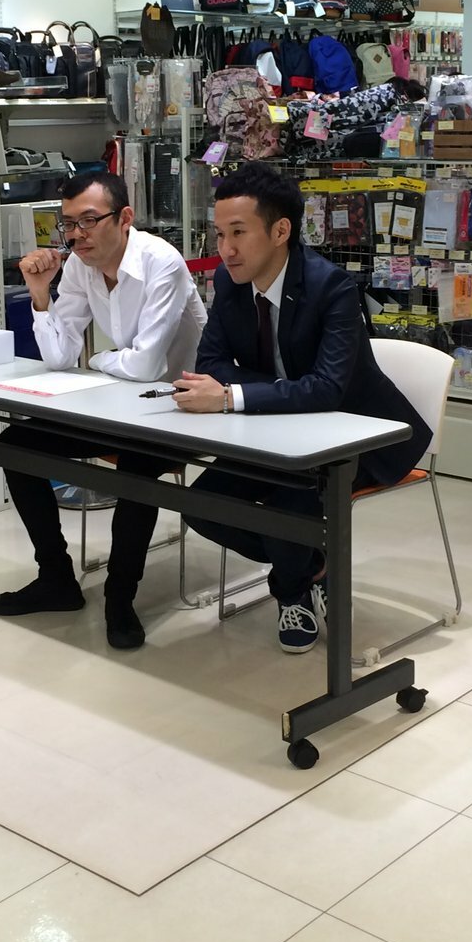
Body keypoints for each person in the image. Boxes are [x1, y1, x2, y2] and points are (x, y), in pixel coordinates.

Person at [174, 162, 431, 654]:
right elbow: (210, 363)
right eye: (219, 234)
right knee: (200, 504)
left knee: (290, 506)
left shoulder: (331, 287)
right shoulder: (230, 281)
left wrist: (231, 396)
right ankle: (315, 564)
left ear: (280, 232)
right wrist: (283, 390)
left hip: (359, 435)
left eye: (238, 232)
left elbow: (327, 390)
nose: (225, 249)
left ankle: (290, 591)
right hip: (277, 432)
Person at [0, 170, 207, 650]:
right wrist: (40, 293)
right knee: (16, 445)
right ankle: (56, 578)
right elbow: (61, 357)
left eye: (88, 220)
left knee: (138, 468)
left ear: (124, 218)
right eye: (68, 224)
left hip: (185, 407)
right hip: (125, 402)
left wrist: (102, 359)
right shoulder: (82, 266)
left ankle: (119, 597)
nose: (76, 235)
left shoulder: (161, 262)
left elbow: (149, 367)